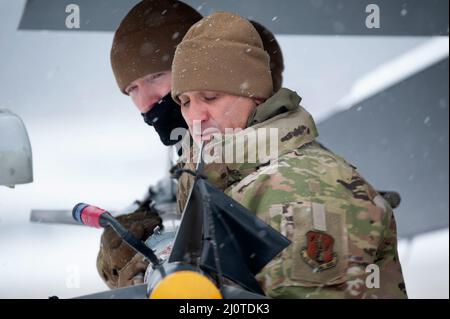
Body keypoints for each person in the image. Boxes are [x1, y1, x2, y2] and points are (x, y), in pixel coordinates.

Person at [171, 11, 408, 299]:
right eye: (184, 102)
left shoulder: (304, 193)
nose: (195, 116)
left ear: (255, 95)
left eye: (210, 97)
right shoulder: (232, 174)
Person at [98, 0, 285, 289]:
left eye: (155, 76)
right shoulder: (198, 154)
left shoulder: (273, 166)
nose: (145, 103)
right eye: (131, 89)